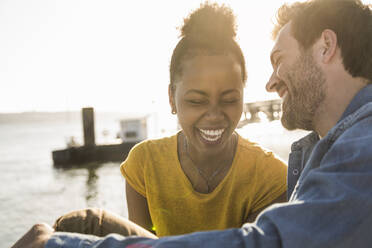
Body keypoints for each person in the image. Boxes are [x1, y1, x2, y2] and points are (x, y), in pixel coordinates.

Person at [11, 0, 372, 247]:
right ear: (173, 98)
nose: (271, 82)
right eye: (196, 99)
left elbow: (270, 243)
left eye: (279, 60)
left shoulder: (364, 144)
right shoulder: (333, 149)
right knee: (83, 223)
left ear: (326, 45)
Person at [41, 1, 287, 239]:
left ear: (243, 95)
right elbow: (143, 242)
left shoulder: (271, 177)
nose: (214, 115)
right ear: (171, 98)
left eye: (229, 99)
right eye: (196, 101)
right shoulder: (144, 165)